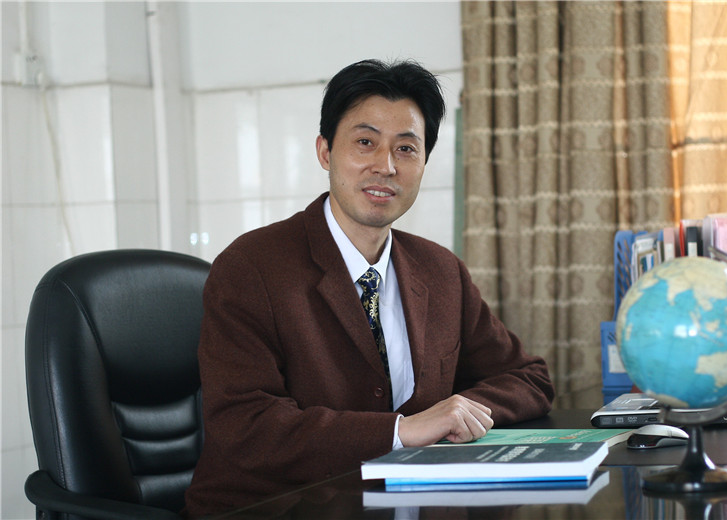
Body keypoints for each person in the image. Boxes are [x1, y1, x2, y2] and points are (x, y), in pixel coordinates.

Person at [184, 59, 555, 517]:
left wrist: (458, 413)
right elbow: (245, 425)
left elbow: (529, 378)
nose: (386, 166)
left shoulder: (441, 270)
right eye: (365, 143)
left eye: (406, 149)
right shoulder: (251, 267)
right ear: (325, 151)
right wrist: (400, 432)